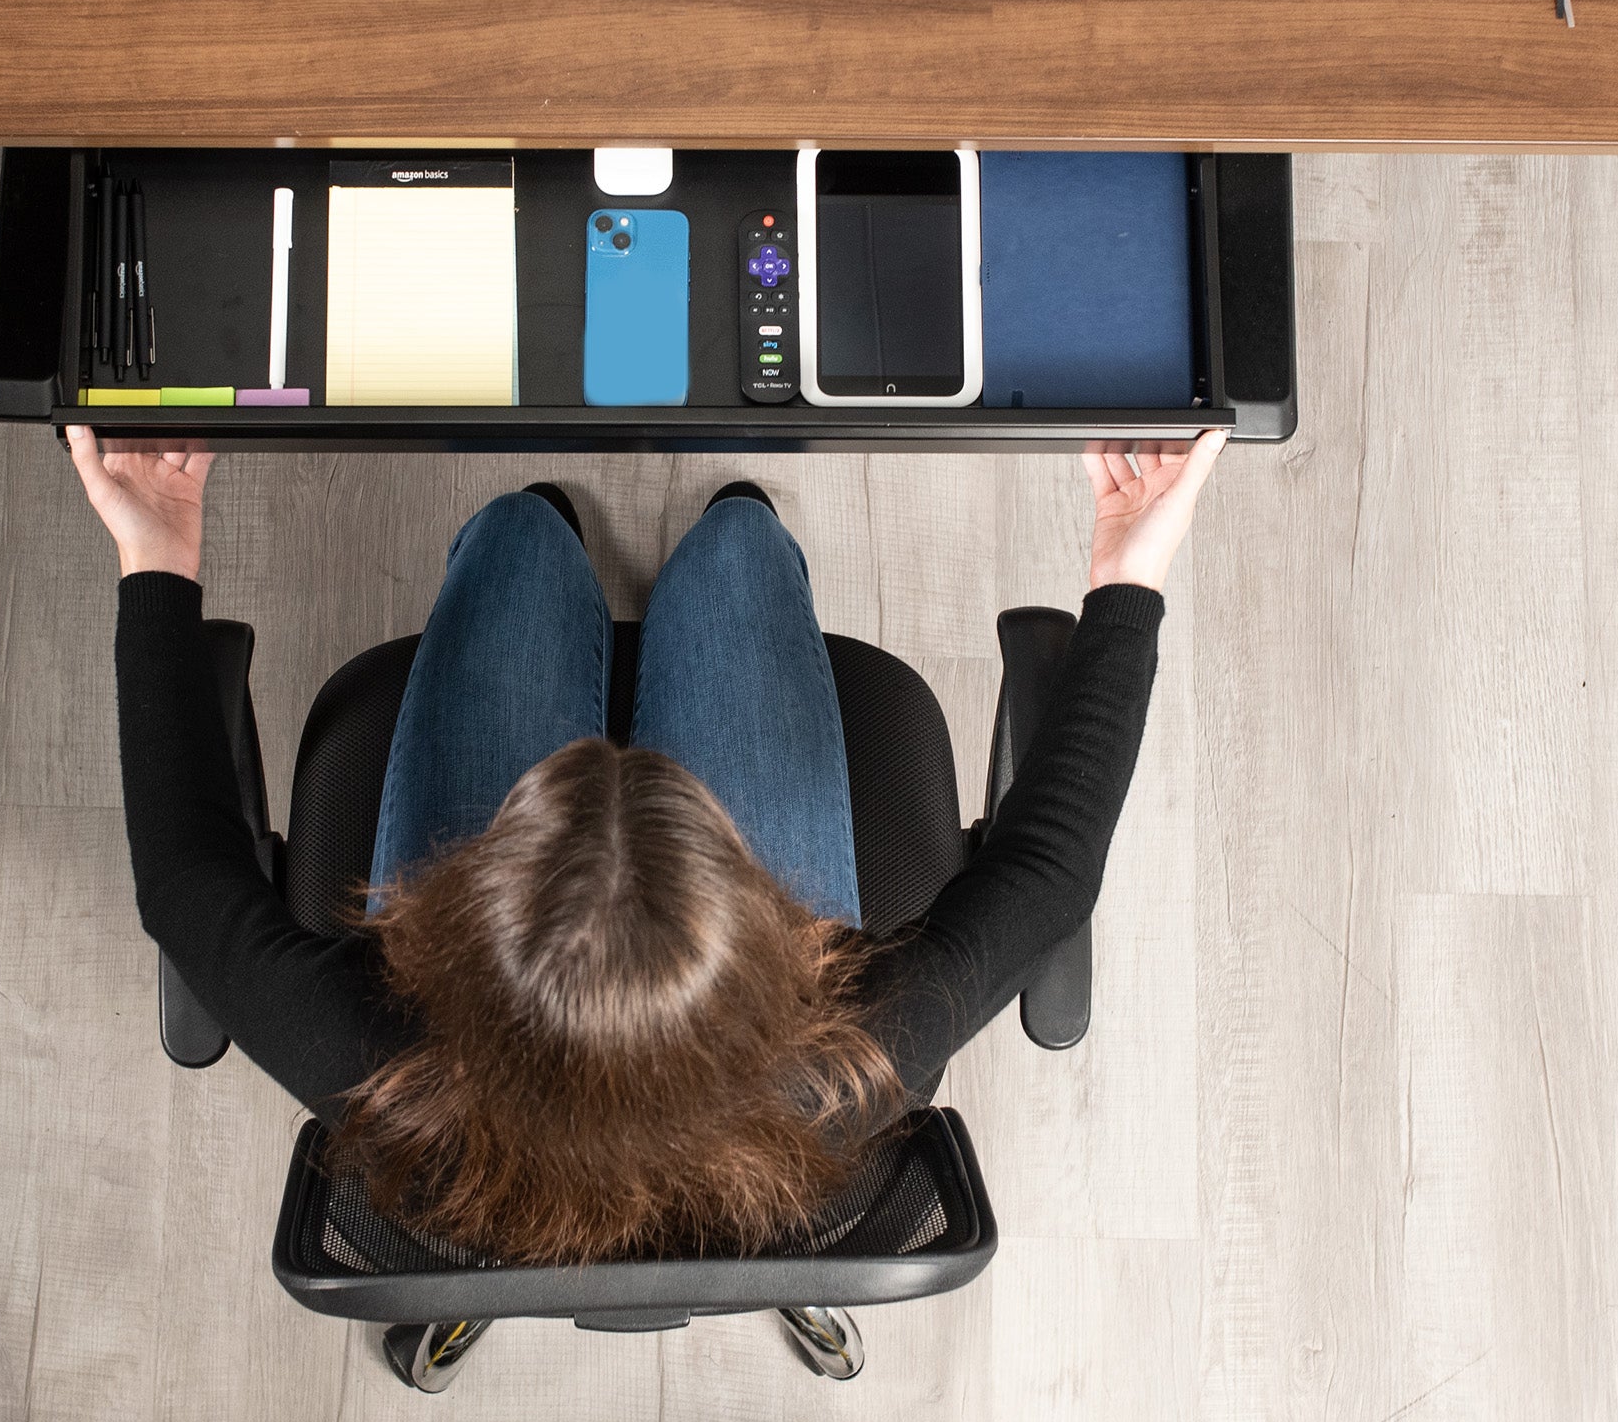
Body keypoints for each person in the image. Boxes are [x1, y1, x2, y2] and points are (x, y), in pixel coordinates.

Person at [71, 428, 1224, 1264]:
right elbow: (1050, 867)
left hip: (485, 1191)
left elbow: (183, 881)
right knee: (734, 557)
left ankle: (545, 531)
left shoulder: (371, 1053)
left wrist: (157, 547)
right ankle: (738, 526)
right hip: (758, 1168)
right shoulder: (843, 1057)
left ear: (468, 915)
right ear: (752, 917)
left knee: (519, 537)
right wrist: (1126, 568)